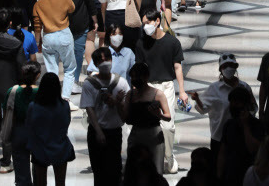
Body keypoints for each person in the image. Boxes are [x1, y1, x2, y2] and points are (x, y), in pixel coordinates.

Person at [136, 9, 188, 175]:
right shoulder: (141, 43)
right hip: (148, 87)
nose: (145, 26)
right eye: (143, 23)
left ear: (157, 21)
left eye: (148, 22)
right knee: (147, 125)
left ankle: (168, 155)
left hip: (166, 87)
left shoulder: (172, 43)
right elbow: (139, 69)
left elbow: (178, 67)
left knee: (168, 125)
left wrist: (182, 91)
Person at [190, 53, 257, 163]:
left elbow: (253, 109)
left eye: (231, 65)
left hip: (240, 136)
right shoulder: (214, 88)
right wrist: (197, 99)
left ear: (236, 67)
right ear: (220, 69)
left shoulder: (244, 87)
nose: (228, 68)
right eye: (225, 66)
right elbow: (203, 109)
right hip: (219, 137)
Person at [80, 47, 129, 186]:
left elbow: (125, 114)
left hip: (114, 132)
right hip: (96, 132)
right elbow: (90, 109)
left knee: (115, 170)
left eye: (107, 59)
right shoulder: (89, 84)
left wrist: (117, 102)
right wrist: (99, 131)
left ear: (112, 60)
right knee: (99, 171)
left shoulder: (121, 83)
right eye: (100, 61)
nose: (104, 62)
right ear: (95, 64)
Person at [0, 8, 26, 173]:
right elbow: (21, 67)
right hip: (10, 88)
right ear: (10, 23)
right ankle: (5, 163)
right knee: (9, 125)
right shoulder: (16, 43)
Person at [32, 0, 77, 105]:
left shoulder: (38, 4)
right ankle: (65, 98)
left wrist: (37, 43)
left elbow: (37, 26)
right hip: (64, 35)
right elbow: (72, 8)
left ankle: (53, 97)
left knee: (51, 70)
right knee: (69, 68)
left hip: (48, 37)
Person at [26, 72, 75, 186]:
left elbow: (29, 127)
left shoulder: (33, 107)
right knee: (60, 182)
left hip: (40, 149)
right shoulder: (64, 106)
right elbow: (66, 124)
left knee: (41, 182)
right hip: (61, 148)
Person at [59, 0, 97, 95]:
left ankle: (68, 80)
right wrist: (95, 20)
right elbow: (90, 2)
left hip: (64, 22)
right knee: (78, 52)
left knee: (67, 53)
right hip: (81, 21)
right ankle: (74, 81)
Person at [125, 62, 171, 177]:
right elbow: (125, 118)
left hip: (153, 134)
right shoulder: (130, 95)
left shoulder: (158, 94)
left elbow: (168, 116)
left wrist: (158, 114)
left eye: (137, 76)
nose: (135, 79)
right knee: (134, 170)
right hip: (136, 133)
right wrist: (117, 105)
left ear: (146, 77)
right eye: (133, 77)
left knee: (155, 170)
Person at [217, 87, 265, 186]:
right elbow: (223, 152)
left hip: (249, 176)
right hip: (231, 176)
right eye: (231, 103)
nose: (233, 106)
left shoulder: (257, 125)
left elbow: (253, 149)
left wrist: (245, 126)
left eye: (237, 103)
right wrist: (219, 176)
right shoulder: (229, 125)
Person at [3, 60, 41, 185]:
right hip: (37, 133)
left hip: (19, 131)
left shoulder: (13, 91)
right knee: (40, 169)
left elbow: (6, 111)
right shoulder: (41, 92)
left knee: (21, 172)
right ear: (38, 75)